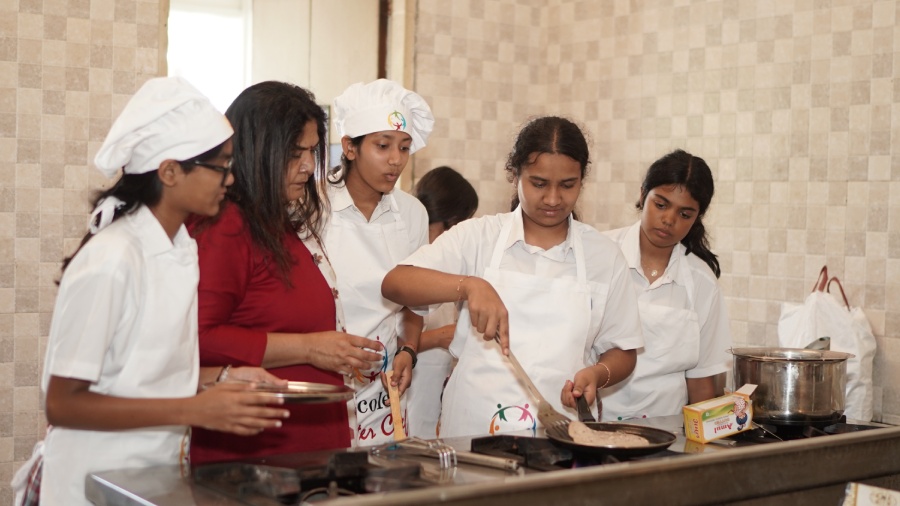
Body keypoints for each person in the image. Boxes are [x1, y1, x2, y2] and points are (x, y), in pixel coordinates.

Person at [37, 77, 289, 505]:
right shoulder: (113, 258)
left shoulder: (180, 248)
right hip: (91, 484)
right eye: (220, 166)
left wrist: (224, 379)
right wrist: (193, 410)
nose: (230, 179)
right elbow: (62, 404)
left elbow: (143, 377)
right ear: (170, 171)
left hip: (151, 482)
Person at [382, 116, 644, 438]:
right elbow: (396, 283)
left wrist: (598, 374)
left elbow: (623, 352)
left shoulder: (603, 256)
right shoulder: (478, 237)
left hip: (562, 434)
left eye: (567, 185)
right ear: (515, 175)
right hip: (473, 432)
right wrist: (469, 286)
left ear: (582, 180)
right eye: (538, 183)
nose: (552, 199)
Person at [188, 81, 383, 464]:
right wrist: (308, 348)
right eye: (295, 154)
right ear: (256, 152)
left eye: (312, 151)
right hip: (257, 454)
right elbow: (198, 337)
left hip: (305, 446)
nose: (309, 166)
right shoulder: (227, 225)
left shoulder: (278, 220)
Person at [324, 79, 434, 445]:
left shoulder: (413, 214)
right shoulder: (314, 207)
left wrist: (409, 350)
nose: (396, 159)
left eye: (404, 147)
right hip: (324, 376)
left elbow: (414, 299)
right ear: (349, 147)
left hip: (383, 388)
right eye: (383, 146)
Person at [599, 149, 732, 420]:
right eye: (660, 205)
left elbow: (701, 382)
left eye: (685, 214)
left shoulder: (701, 281)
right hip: (593, 425)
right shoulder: (600, 253)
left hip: (668, 432)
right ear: (642, 195)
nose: (669, 220)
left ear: (697, 217)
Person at [406, 166, 479, 438]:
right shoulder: (405, 268)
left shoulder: (448, 267)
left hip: (432, 394)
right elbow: (382, 345)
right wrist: (437, 338)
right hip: (404, 394)